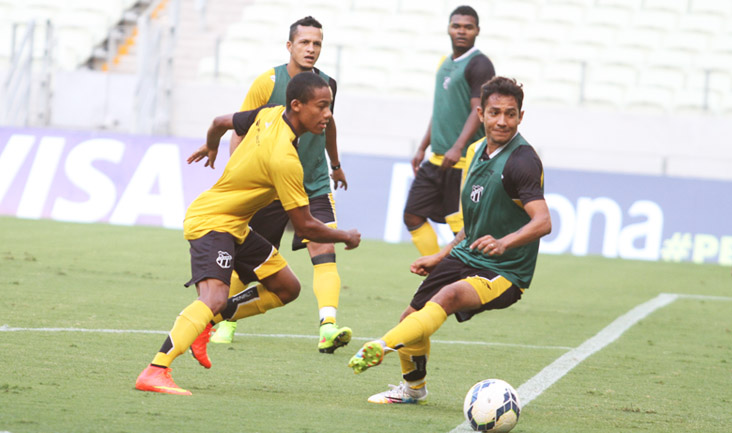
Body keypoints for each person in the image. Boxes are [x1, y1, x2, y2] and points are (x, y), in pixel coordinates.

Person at [135, 73, 361, 396]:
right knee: (212, 296)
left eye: (330, 106)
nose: (328, 114)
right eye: (322, 106)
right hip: (212, 221)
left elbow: (219, 121)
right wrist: (345, 236)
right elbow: (306, 226)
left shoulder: (269, 114)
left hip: (236, 225)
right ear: (296, 106)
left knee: (287, 287)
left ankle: (208, 323)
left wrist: (211, 145)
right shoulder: (284, 159)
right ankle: (156, 369)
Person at [348, 77, 551, 404]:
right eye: (495, 112)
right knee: (410, 319)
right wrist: (441, 255)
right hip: (466, 254)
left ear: (521, 117)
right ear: (481, 113)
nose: (502, 121)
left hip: (506, 270)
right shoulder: (473, 152)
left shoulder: (522, 161)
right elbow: (472, 224)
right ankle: (413, 390)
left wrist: (504, 243)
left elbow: (543, 221)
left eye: (510, 114)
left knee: (448, 295)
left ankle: (382, 345)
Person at [211, 16, 352, 355]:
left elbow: (329, 124)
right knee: (249, 266)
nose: (311, 49)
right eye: (304, 42)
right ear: (290, 46)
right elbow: (241, 131)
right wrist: (237, 176)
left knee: (325, 251)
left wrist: (335, 164)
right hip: (269, 186)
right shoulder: (268, 82)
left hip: (314, 182)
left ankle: (328, 327)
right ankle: (225, 320)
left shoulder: (328, 83)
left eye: (317, 43)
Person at [404, 5, 495, 257]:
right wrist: (423, 146)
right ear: (448, 29)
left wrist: (458, 147)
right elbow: (441, 110)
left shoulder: (480, 64)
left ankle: (465, 281)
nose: (461, 31)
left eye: (468, 27)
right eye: (456, 26)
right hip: (436, 159)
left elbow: (479, 111)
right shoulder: (444, 63)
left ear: (477, 30)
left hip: (463, 163)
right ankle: (434, 273)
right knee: (412, 214)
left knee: (462, 230)